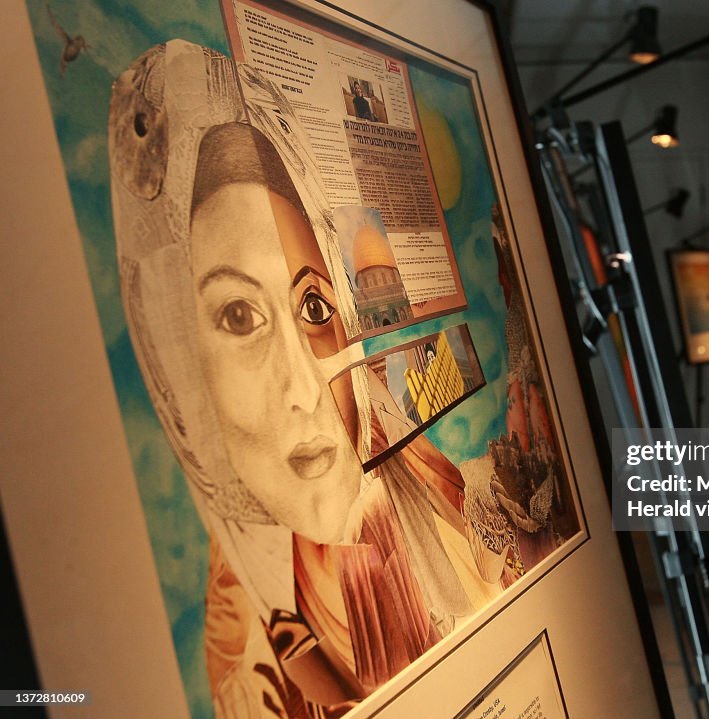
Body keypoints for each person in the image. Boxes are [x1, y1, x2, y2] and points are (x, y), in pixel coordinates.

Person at [110, 41, 500, 717]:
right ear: (177, 364)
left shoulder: (409, 475)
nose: (304, 386)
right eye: (239, 314)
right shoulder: (240, 651)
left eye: (315, 307)